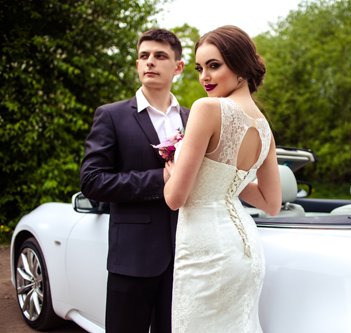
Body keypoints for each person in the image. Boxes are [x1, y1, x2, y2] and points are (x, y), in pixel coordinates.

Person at [163, 25, 282, 332]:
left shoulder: (207, 109)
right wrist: (225, 183)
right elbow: (272, 203)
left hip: (207, 249)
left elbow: (175, 199)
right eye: (200, 68)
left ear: (241, 65)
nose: (204, 77)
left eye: (214, 66)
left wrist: (173, 171)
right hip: (246, 250)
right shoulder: (265, 127)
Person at [80, 28, 189, 333]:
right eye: (144, 56)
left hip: (186, 258)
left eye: (160, 56)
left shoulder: (193, 118)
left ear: (178, 67)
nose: (150, 62)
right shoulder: (111, 116)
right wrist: (161, 177)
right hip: (133, 258)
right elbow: (92, 181)